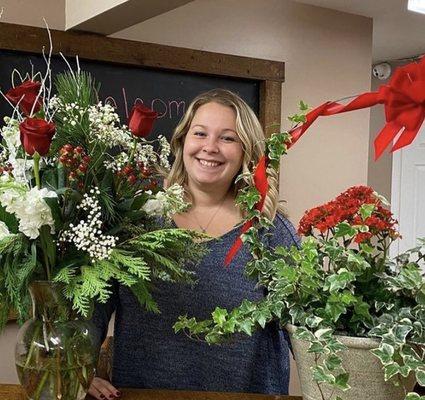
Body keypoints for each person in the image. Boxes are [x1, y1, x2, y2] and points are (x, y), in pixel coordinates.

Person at [88, 89, 300, 399]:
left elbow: (306, 333)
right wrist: (79, 368)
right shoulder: (136, 220)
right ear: (183, 141)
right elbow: (93, 307)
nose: (210, 147)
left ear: (246, 152)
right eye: (200, 133)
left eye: (227, 138)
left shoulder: (271, 232)